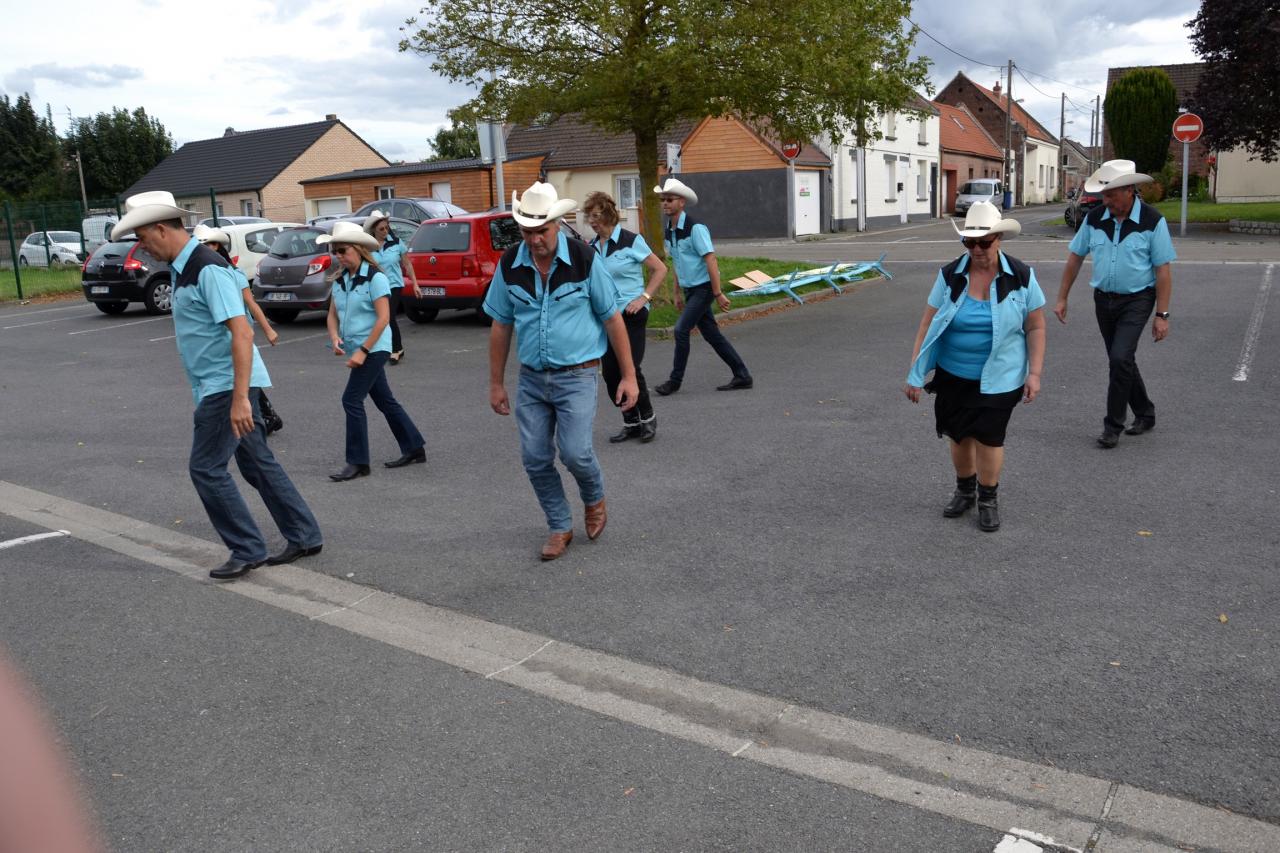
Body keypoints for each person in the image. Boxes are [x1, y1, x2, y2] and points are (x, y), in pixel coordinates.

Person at [111, 191, 322, 579]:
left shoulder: (206, 268)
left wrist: (240, 399)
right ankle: (305, 535)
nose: (142, 248)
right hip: (224, 384)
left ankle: (247, 548)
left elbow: (242, 333)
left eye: (143, 238)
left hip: (226, 387)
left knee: (206, 469)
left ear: (161, 229)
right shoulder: (184, 267)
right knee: (256, 464)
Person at [484, 182, 639, 560]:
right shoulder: (510, 264)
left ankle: (594, 498)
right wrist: (496, 383)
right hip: (532, 379)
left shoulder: (585, 259)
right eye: (527, 231)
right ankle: (559, 526)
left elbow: (613, 318)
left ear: (557, 224)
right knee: (535, 458)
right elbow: (501, 324)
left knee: (575, 452)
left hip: (578, 376)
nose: (534, 239)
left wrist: (629, 376)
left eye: (541, 231)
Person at [904, 202, 1046, 532]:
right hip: (954, 373)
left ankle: (988, 499)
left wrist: (1035, 373)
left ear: (999, 239)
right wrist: (915, 372)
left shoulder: (1021, 276)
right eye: (969, 242)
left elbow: (1036, 326)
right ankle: (965, 491)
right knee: (959, 435)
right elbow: (927, 324)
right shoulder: (950, 275)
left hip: (1001, 375)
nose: (977, 250)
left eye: (984, 242)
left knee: (989, 438)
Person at [1054, 159, 1175, 449]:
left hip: (1138, 299)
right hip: (1103, 300)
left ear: (1129, 190)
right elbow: (1075, 257)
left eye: (1110, 195)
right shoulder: (1095, 219)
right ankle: (1145, 413)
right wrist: (1062, 297)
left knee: (1120, 358)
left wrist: (1162, 314)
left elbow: (1163, 270)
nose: (1105, 201)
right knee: (1121, 360)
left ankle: (1113, 426)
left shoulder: (1152, 221)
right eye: (1103, 195)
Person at [319, 221, 426, 481]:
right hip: (358, 348)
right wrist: (334, 336)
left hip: (375, 348)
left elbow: (383, 319)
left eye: (343, 250)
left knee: (351, 400)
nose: (338, 256)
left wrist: (363, 351)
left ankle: (358, 462)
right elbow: (332, 314)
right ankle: (414, 447)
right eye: (335, 251)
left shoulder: (375, 278)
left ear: (358, 249)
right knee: (384, 400)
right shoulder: (341, 280)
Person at [651, 178, 753, 395]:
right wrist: (677, 292)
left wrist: (717, 293)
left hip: (704, 288)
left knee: (681, 330)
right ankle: (742, 375)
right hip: (690, 290)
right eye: (663, 200)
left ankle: (674, 381)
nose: (665, 203)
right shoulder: (669, 230)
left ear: (682, 202)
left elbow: (710, 260)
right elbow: (677, 262)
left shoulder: (695, 228)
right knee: (712, 335)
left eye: (669, 199)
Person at [582, 191, 667, 443]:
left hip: (632, 314)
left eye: (595, 216)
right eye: (589, 217)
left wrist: (644, 298)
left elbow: (660, 269)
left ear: (608, 214)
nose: (591, 221)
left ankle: (648, 418)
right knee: (610, 373)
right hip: (608, 317)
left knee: (630, 367)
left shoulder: (631, 240)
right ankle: (630, 421)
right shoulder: (592, 247)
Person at [193, 224, 284, 435]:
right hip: (219, 337)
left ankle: (264, 417)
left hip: (236, 332)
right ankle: (267, 416)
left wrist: (268, 330)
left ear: (216, 245)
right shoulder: (200, 273)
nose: (203, 249)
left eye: (206, 245)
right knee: (241, 378)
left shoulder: (233, 273)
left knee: (244, 376)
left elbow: (251, 303)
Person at [363, 210, 421, 365]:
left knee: (388, 317)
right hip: (376, 286)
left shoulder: (396, 243)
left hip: (394, 285)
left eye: (386, 227)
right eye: (381, 229)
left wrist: (415, 284)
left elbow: (407, 264)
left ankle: (397, 349)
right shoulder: (368, 247)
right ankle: (382, 347)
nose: (385, 231)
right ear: (374, 230)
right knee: (377, 318)